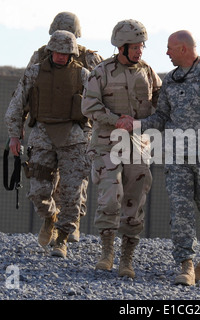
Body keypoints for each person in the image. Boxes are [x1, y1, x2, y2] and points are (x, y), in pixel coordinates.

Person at [120, 30, 200, 285]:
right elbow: (161, 118)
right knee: (180, 210)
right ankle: (185, 264)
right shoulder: (171, 81)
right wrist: (136, 124)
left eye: (169, 48)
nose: (166, 53)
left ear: (183, 49)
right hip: (177, 157)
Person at [81, 19, 162, 278]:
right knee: (111, 194)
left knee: (135, 199)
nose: (140, 51)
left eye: (142, 46)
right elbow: (89, 106)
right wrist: (115, 119)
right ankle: (107, 252)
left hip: (138, 144)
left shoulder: (148, 71)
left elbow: (161, 101)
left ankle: (127, 258)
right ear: (122, 47)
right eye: (136, 46)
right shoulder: (101, 72)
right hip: (107, 143)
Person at [5, 30, 91, 258]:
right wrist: (15, 135)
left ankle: (61, 238)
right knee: (38, 191)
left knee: (72, 193)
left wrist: (92, 139)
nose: (62, 56)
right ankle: (50, 217)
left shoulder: (83, 75)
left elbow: (95, 108)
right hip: (42, 136)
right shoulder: (34, 73)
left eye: (66, 52)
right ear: (50, 50)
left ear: (72, 52)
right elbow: (16, 104)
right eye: (58, 52)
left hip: (73, 139)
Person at [26, 11, 103, 243]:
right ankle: (51, 218)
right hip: (46, 127)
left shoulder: (89, 58)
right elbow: (28, 89)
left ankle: (71, 224)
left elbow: (102, 92)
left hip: (79, 128)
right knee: (44, 180)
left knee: (74, 182)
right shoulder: (41, 56)